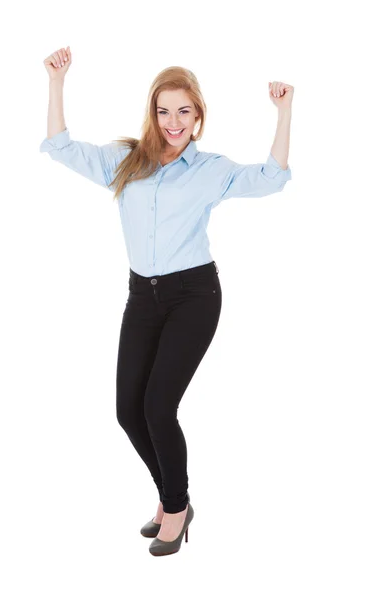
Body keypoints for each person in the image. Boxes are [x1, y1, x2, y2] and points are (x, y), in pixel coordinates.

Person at [39, 46, 293, 556]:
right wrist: (57, 81)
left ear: (198, 116)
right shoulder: (125, 161)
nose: (173, 121)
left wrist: (284, 113)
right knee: (127, 410)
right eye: (163, 110)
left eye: (184, 111)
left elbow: (270, 179)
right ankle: (172, 496)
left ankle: (175, 507)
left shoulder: (211, 170)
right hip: (142, 297)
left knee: (158, 406)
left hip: (194, 296)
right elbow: (61, 147)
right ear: (152, 113)